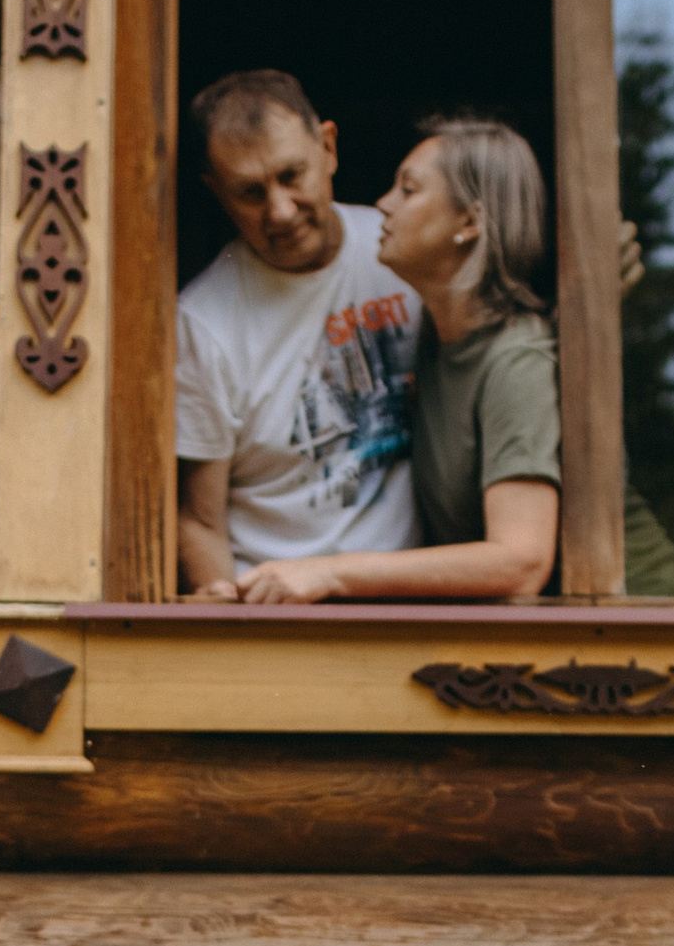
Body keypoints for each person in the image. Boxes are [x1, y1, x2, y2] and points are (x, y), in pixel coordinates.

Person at [228, 110, 563, 606]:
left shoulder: (517, 358)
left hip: (650, 625)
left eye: (408, 190)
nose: (383, 205)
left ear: (468, 222)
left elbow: (521, 561)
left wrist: (331, 573)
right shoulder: (436, 332)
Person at [173, 70, 422, 602]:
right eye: (250, 192)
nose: (280, 210)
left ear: (328, 148)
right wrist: (221, 604)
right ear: (215, 192)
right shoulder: (203, 322)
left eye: (292, 175)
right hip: (279, 614)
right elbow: (200, 518)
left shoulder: (403, 253)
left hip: (414, 601)